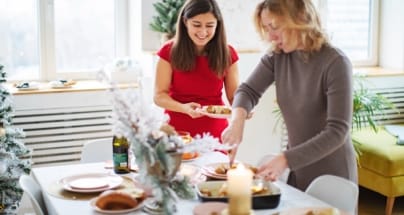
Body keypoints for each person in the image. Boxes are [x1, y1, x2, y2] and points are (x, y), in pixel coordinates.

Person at [221, 0, 357, 191]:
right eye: (266, 29)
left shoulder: (335, 62)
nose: (270, 36)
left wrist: (286, 159)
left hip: (333, 177)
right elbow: (247, 91)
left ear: (300, 18)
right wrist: (237, 122)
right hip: (297, 171)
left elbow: (337, 132)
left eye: (274, 27)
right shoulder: (278, 57)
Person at [154, 0, 239, 140]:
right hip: (176, 131)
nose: (203, 32)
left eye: (210, 25)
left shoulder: (228, 53)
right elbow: (159, 96)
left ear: (218, 25)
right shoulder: (168, 51)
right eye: (196, 25)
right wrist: (184, 108)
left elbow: (233, 96)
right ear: (185, 22)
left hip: (215, 133)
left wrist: (243, 109)